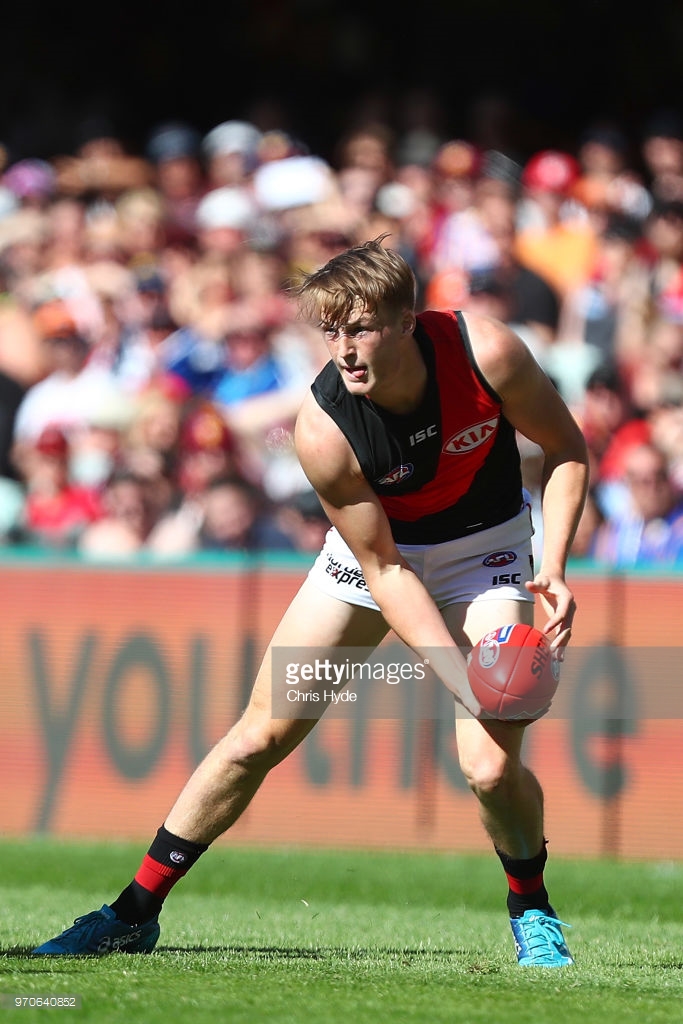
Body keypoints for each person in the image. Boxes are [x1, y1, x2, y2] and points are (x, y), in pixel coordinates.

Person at [33, 237, 589, 966]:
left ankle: (530, 906)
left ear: (406, 320)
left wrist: (551, 565)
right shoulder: (323, 429)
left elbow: (566, 448)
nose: (344, 349)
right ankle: (133, 911)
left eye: (358, 327)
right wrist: (459, 679)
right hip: (374, 560)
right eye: (330, 331)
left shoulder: (485, 352)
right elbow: (387, 570)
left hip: (484, 553)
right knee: (257, 738)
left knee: (487, 767)